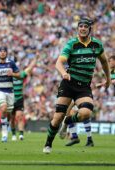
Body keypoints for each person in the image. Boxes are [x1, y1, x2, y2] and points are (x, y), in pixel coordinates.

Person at [43, 17, 111, 154]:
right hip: (68, 84)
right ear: (78, 28)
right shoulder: (72, 44)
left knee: (86, 113)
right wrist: (63, 73)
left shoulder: (97, 45)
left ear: (89, 29)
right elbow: (59, 62)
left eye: (86, 26)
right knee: (56, 119)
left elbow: (104, 62)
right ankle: (48, 143)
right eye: (81, 26)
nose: (83, 28)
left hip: (84, 87)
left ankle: (68, 121)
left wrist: (108, 79)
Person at [10, 54, 38, 141]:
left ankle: (21, 134)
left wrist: (35, 58)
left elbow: (30, 67)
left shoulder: (21, 74)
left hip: (19, 99)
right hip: (10, 99)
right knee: (12, 119)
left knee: (20, 116)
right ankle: (13, 134)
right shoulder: (8, 76)